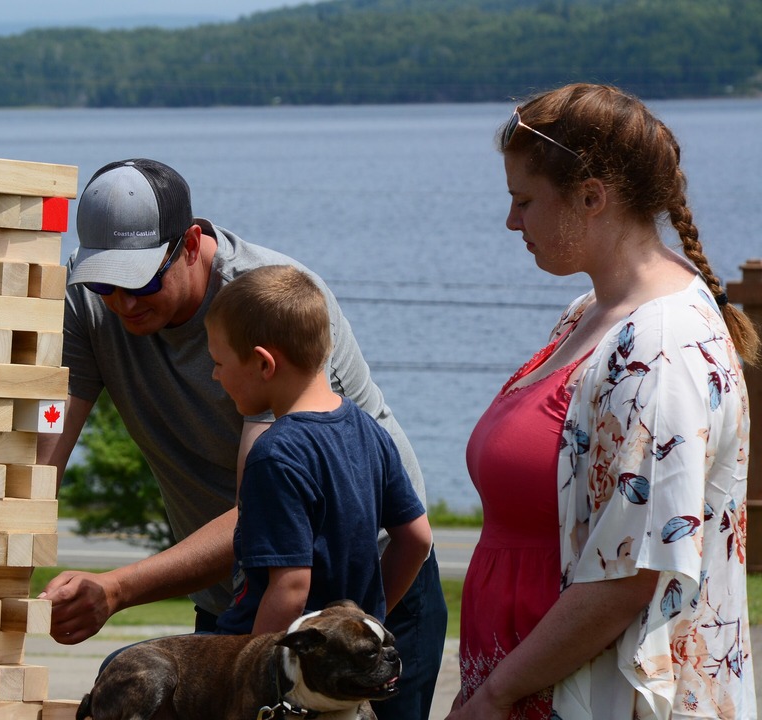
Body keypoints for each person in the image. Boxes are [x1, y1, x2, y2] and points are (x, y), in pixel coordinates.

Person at [37, 158, 447, 719]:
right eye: (106, 283)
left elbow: (263, 518)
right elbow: (52, 422)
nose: (124, 302)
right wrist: (16, 511)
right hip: (245, 600)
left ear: (190, 243)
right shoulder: (87, 302)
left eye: (142, 281)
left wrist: (118, 589)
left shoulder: (268, 306)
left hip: (360, 600)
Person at [450, 83, 758, 720]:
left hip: (602, 699)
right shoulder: (592, 314)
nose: (512, 222)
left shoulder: (661, 350)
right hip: (538, 684)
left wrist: (498, 693)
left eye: (524, 201)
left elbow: (628, 577)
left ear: (592, 198)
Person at [205, 264, 433, 635]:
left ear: (264, 363)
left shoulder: (274, 454)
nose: (215, 375)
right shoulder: (366, 428)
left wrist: (255, 677)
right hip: (338, 655)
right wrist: (366, 624)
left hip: (275, 656)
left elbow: (291, 587)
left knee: (126, 664)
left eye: (218, 363)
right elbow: (418, 539)